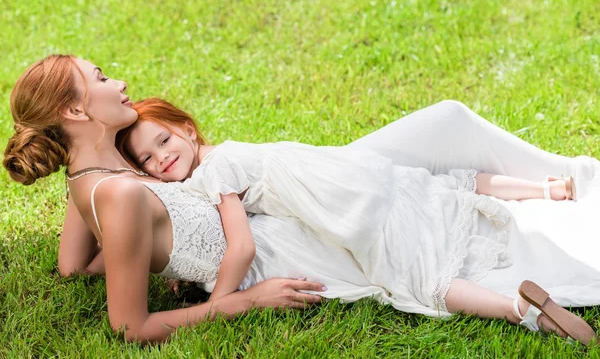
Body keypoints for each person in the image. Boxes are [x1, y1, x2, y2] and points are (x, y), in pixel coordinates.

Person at [3, 55, 598, 345]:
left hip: (284, 193)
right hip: (283, 237)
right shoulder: (121, 194)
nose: (120, 82)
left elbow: (71, 265)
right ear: (77, 112)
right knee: (416, 231)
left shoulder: (91, 181)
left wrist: (105, 206)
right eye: (102, 78)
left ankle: (551, 192)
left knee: (439, 136)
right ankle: (550, 211)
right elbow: (131, 325)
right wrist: (245, 301)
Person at [116, 97, 575, 303]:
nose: (161, 158)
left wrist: (214, 302)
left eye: (163, 141)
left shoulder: (214, 172)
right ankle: (544, 189)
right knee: (437, 187)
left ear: (188, 129)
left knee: (412, 273)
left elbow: (240, 246)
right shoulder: (226, 154)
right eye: (148, 159)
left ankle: (517, 309)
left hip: (342, 206)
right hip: (350, 170)